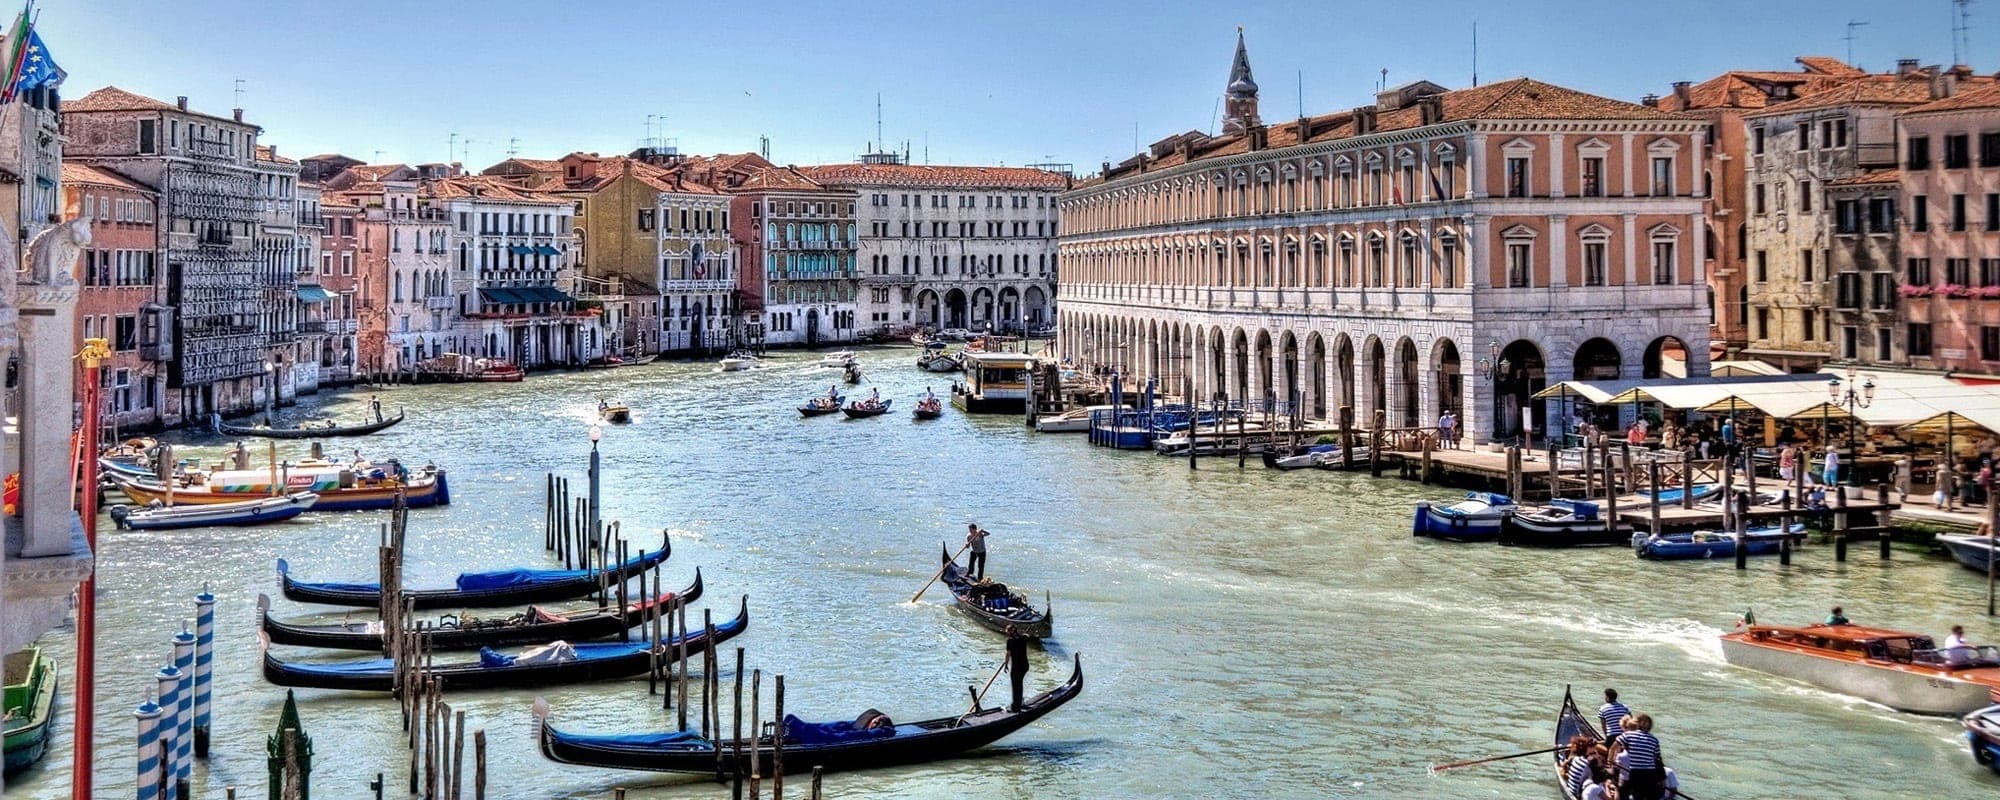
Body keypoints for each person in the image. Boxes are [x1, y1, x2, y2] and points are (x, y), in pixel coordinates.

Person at [1617, 713, 1666, 800]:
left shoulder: (1628, 736)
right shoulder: (1654, 740)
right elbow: (1658, 760)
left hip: (1635, 773)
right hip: (1650, 774)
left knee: (1636, 795)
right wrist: (1662, 778)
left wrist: (1609, 761)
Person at [1004, 623, 1031, 712]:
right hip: (1025, 666)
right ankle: (1020, 702)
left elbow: (1008, 654)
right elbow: (1027, 635)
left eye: (1007, 631)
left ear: (1011, 631)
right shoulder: (1023, 638)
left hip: (1017, 667)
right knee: (1019, 684)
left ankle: (1016, 707)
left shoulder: (1010, 641)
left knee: (1016, 686)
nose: (1006, 632)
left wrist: (1006, 664)